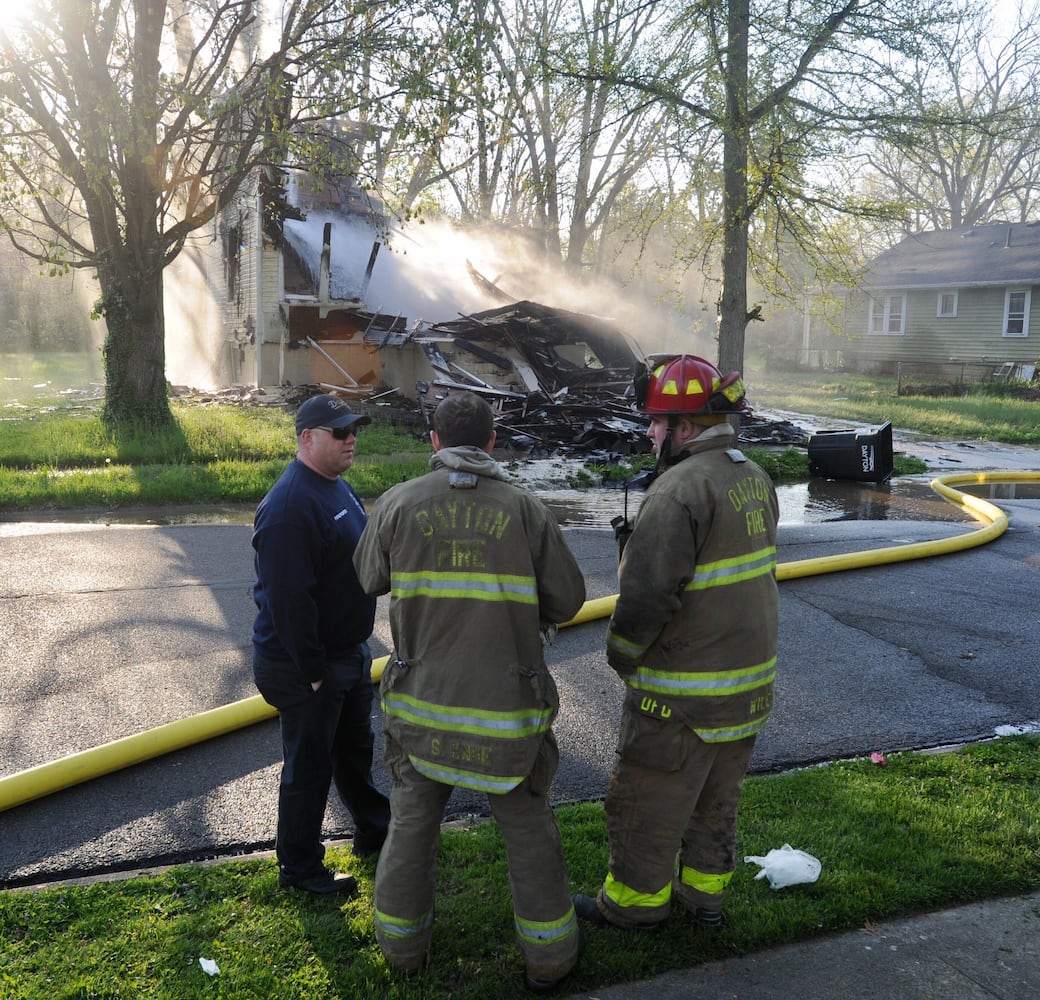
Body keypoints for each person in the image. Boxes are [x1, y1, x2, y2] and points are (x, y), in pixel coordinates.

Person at [353, 390, 586, 994]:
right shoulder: (526, 509)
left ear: (433, 440)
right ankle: (550, 961)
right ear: (491, 441)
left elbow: (366, 576)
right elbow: (569, 600)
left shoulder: (399, 504)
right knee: (529, 831)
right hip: (507, 719)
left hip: (421, 711)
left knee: (410, 827)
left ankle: (403, 953)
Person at [573, 354, 779, 932]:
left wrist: (621, 653)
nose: (648, 432)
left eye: (657, 423)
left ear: (685, 428)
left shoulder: (677, 491)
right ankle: (703, 901)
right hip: (747, 688)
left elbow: (646, 599)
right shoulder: (753, 477)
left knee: (647, 799)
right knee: (716, 801)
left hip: (682, 698)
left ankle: (633, 908)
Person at [251, 393, 391, 896]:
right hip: (304, 665)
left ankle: (376, 830)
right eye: (340, 432)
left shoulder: (335, 485)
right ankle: (300, 869)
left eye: (355, 429)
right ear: (307, 439)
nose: (351, 438)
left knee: (354, 749)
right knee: (309, 768)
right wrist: (312, 670)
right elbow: (289, 602)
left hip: (345, 654)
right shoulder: (290, 507)